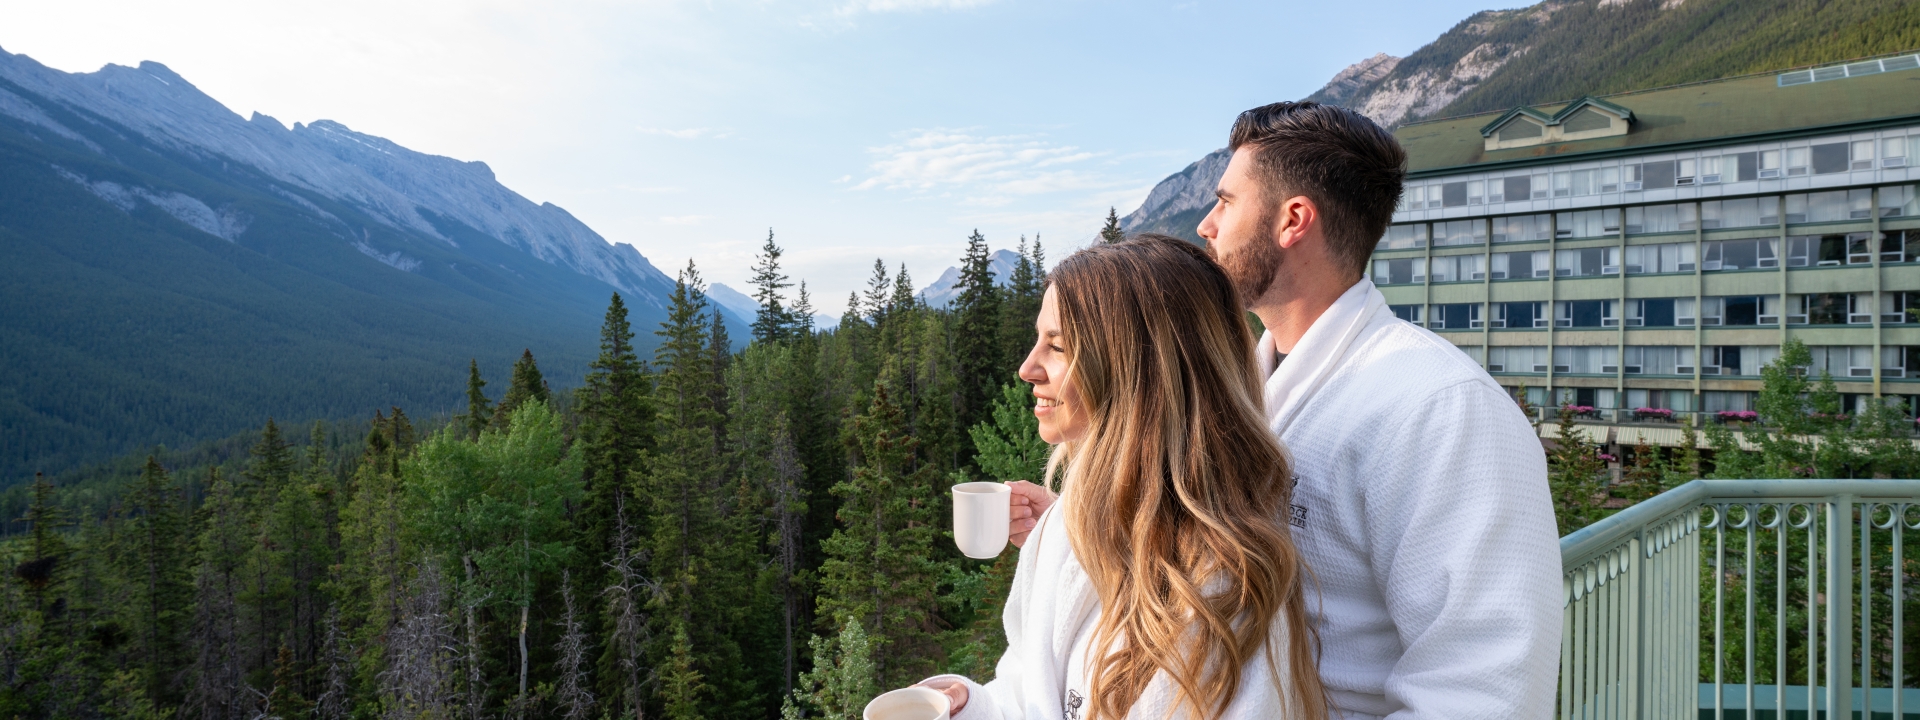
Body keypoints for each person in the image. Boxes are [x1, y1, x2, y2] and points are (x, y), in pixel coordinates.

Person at [1010, 102, 1563, 718]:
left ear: (1292, 220)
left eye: (1225, 202)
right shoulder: (1240, 389)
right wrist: (1087, 525)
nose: (1206, 226)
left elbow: (1487, 693)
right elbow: (1208, 534)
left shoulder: (1438, 409)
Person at [904, 235, 1327, 720]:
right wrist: (970, 705)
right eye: (1037, 339)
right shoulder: (1063, 527)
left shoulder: (1220, 590)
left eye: (1057, 347)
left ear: (1136, 373)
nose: (1027, 368)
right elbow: (1027, 691)